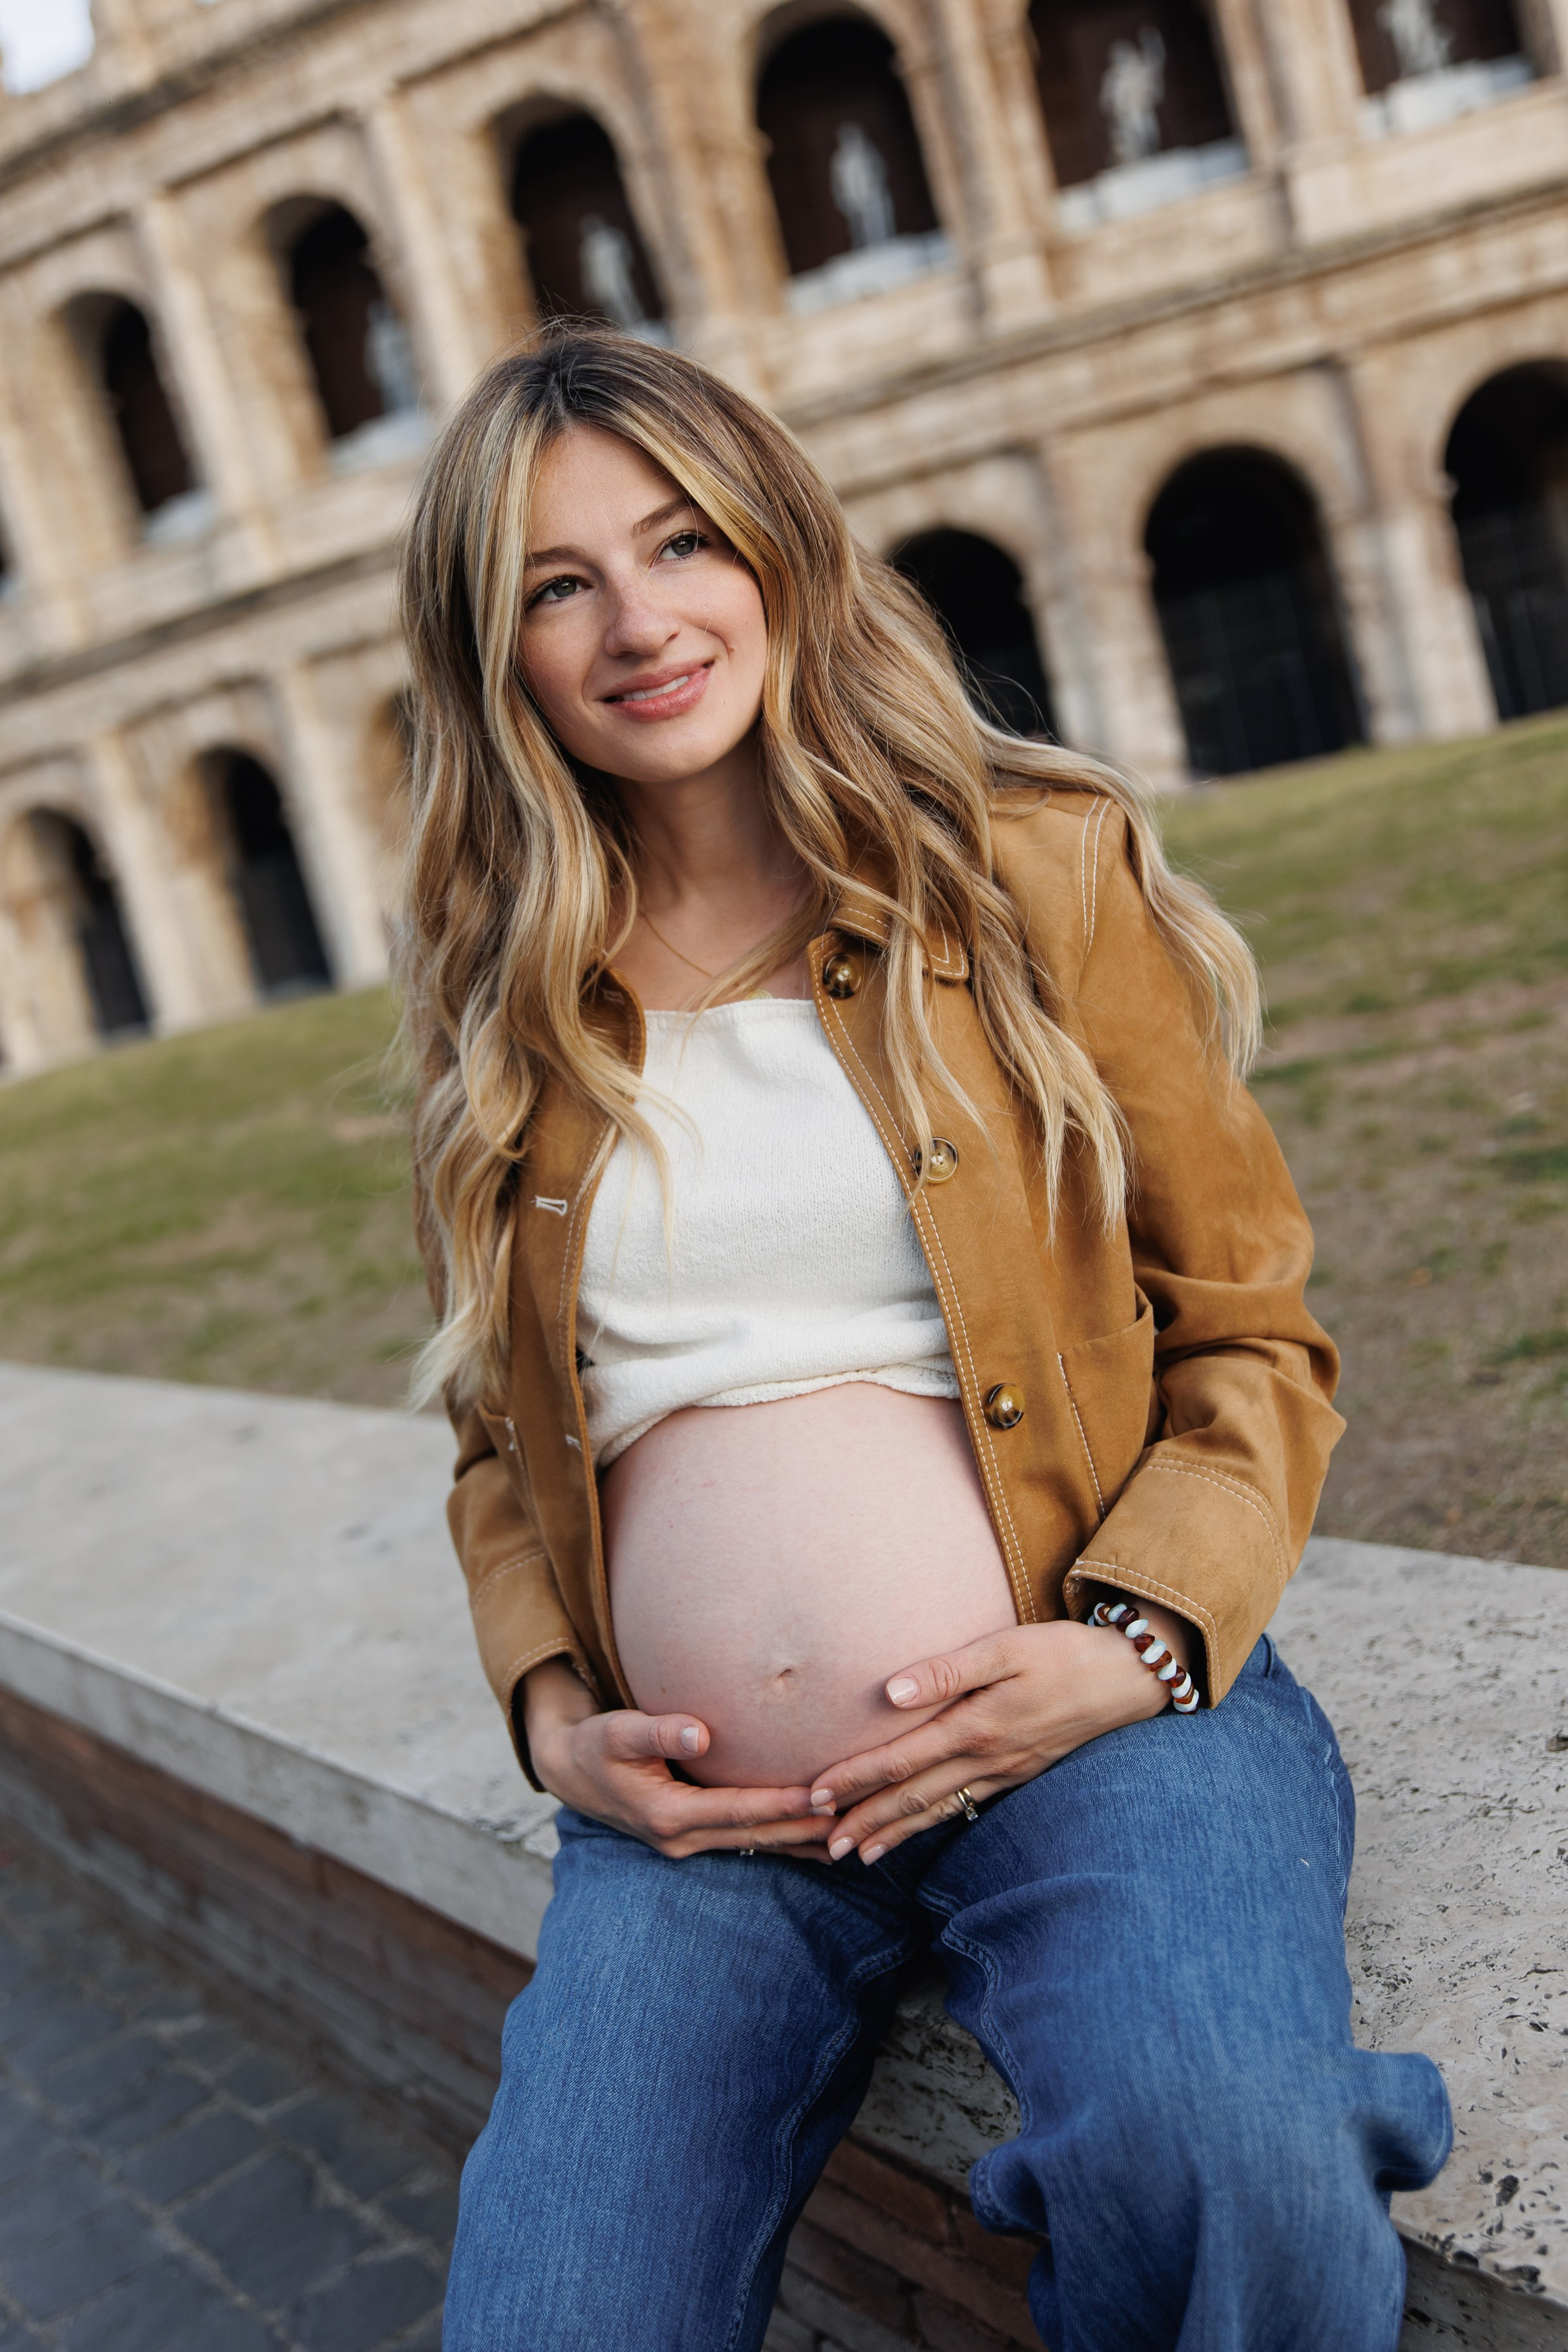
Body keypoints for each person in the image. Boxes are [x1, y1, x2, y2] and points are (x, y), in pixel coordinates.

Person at [399, 327, 1451, 2351]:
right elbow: (494, 1441)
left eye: (684, 542)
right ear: (495, 647)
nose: (641, 623)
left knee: (1223, 2158)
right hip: (711, 1833)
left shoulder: (1024, 865)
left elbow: (1251, 1336)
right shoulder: (499, 992)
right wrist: (550, 1713)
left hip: (1089, 1703)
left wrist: (1132, 1641)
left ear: (781, 551)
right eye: (557, 584)